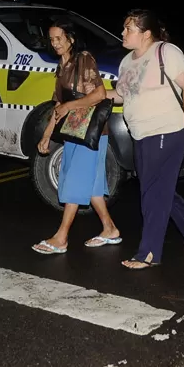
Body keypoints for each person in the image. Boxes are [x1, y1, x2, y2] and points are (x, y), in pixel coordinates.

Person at [105, 9, 184, 269]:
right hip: (141, 133)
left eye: (128, 29)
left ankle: (149, 253)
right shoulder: (127, 61)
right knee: (154, 187)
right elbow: (121, 95)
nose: (123, 33)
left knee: (152, 192)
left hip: (168, 130)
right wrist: (94, 94)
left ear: (146, 34)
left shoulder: (167, 52)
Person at [33, 20, 121, 254]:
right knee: (90, 185)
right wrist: (47, 134)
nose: (55, 43)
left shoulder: (84, 59)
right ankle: (109, 229)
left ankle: (61, 238)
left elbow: (99, 94)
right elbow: (59, 105)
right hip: (73, 130)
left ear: (71, 39)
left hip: (89, 131)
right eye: (52, 39)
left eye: (59, 38)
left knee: (74, 180)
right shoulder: (62, 66)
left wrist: (71, 105)